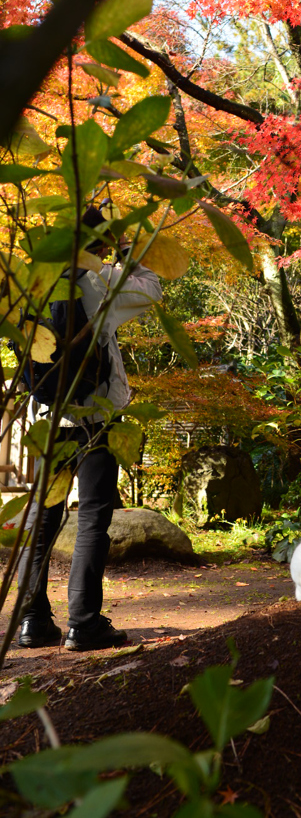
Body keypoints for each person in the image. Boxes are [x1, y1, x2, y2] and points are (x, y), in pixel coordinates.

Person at [17, 206, 162, 650]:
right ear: (98, 243)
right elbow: (152, 288)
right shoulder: (98, 282)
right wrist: (124, 253)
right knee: (94, 514)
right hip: (96, 416)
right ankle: (84, 623)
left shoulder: (34, 283)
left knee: (43, 517)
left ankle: (31, 622)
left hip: (46, 414)